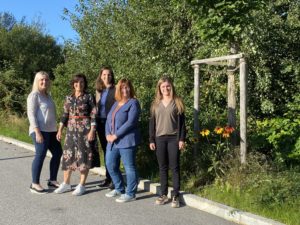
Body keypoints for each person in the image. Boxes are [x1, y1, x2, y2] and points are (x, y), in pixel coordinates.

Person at [54, 73, 99, 196]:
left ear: (84, 84)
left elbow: (94, 114)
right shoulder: (69, 98)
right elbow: (64, 115)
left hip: (85, 130)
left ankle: (82, 185)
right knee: (68, 156)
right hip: (71, 131)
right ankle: (66, 183)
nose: (79, 85)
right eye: (76, 82)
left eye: (82, 82)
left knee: (84, 156)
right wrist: (60, 130)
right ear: (73, 84)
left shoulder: (89, 97)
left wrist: (92, 131)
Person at [149, 76, 186, 208]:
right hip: (159, 139)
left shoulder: (177, 102)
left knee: (174, 167)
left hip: (173, 138)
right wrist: (151, 139)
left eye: (168, 86)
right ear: (159, 88)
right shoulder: (155, 104)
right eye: (163, 86)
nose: (166, 88)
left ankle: (175, 195)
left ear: (171, 86)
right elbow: (152, 124)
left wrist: (182, 139)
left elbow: (182, 124)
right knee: (162, 167)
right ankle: (163, 194)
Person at [104, 78, 141, 203]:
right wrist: (108, 134)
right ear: (118, 90)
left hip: (127, 141)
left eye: (127, 87)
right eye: (122, 88)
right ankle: (119, 188)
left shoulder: (133, 103)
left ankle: (130, 193)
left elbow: (130, 122)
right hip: (113, 141)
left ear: (130, 88)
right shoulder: (116, 103)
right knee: (110, 164)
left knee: (129, 167)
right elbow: (108, 120)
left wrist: (116, 135)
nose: (125, 90)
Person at [27, 71, 62, 194]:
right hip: (39, 130)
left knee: (58, 153)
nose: (44, 82)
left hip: (51, 131)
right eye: (41, 79)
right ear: (37, 81)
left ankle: (52, 180)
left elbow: (51, 115)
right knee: (40, 154)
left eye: (46, 80)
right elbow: (31, 115)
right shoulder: (34, 95)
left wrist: (57, 129)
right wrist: (37, 132)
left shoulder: (48, 96)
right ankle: (34, 183)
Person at [95, 66, 116, 189]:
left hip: (111, 123)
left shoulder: (115, 89)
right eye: (104, 75)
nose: (106, 77)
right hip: (100, 123)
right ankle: (108, 178)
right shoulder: (99, 90)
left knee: (112, 150)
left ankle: (115, 178)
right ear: (101, 76)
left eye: (109, 75)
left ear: (112, 76)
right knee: (105, 150)